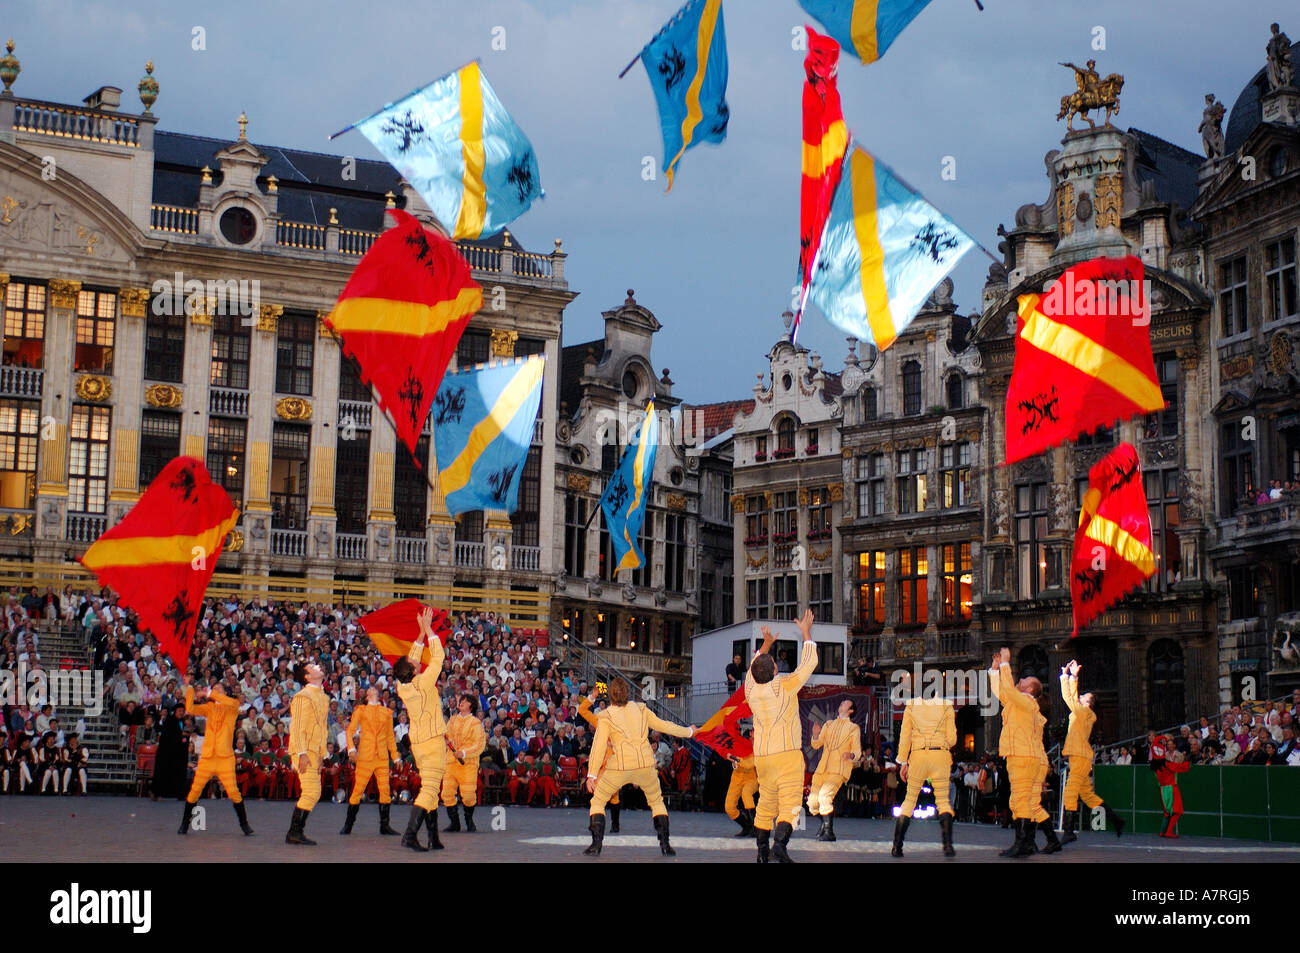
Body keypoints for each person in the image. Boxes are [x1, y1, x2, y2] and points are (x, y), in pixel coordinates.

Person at [583, 678, 695, 857]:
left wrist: (591, 774)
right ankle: (665, 845)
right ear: (628, 693)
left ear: (610, 694)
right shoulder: (641, 709)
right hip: (645, 764)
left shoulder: (606, 715)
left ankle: (596, 845)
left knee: (598, 801)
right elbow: (664, 725)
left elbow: (599, 746)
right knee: (656, 801)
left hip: (620, 765)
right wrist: (688, 731)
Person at [746, 610, 817, 863]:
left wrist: (765, 644)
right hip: (786, 754)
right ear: (775, 670)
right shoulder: (785, 686)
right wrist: (806, 633)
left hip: (762, 757)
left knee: (766, 802)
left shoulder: (750, 690)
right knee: (790, 804)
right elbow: (808, 665)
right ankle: (779, 845)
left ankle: (761, 852)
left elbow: (752, 670)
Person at [991, 648, 1059, 858]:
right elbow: (1002, 693)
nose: (1019, 680)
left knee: (1020, 801)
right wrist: (994, 670)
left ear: (1030, 689)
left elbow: (1008, 692)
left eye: (1024, 680)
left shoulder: (1026, 703)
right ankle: (1029, 843)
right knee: (1027, 802)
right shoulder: (1022, 704)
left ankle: (1022, 844)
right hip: (1029, 757)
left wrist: (1005, 664)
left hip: (1022, 756)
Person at [393, 607, 447, 853]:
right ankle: (409, 835)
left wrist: (420, 634)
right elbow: (439, 657)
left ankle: (433, 838)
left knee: (430, 785)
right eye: (415, 662)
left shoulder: (401, 686)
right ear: (414, 670)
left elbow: (410, 659)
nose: (416, 659)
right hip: (433, 740)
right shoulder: (424, 682)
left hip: (418, 743)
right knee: (430, 788)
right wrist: (429, 631)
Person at [1058, 660, 1125, 843]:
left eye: (1083, 697)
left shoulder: (1084, 713)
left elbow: (1069, 698)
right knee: (1087, 795)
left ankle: (1069, 831)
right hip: (1079, 756)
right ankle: (1116, 820)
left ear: (1088, 703)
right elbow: (1072, 698)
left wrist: (1070, 677)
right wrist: (1070, 677)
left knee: (1070, 793)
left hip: (1079, 756)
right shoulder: (1083, 713)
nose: (1079, 698)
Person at [179, 677, 255, 836]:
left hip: (225, 758)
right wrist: (190, 688)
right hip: (208, 757)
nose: (216, 690)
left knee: (234, 792)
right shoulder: (209, 707)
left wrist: (209, 692)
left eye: (219, 688)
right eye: (215, 688)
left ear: (225, 691)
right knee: (195, 791)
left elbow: (225, 700)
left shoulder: (232, 705)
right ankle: (185, 823)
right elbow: (190, 708)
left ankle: (244, 824)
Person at [892, 688, 957, 858]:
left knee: (909, 800)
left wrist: (903, 761)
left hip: (918, 755)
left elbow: (905, 736)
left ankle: (897, 846)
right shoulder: (946, 706)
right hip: (940, 755)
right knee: (943, 800)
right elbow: (952, 739)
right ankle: (948, 845)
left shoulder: (911, 706)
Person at [340, 685, 399, 836]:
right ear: (367, 696)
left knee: (385, 790)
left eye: (375, 689)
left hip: (382, 757)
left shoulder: (386, 713)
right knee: (358, 790)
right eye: (370, 690)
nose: (373, 690)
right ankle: (348, 825)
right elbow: (350, 731)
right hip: (366, 756)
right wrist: (352, 748)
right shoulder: (361, 710)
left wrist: (395, 756)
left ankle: (385, 826)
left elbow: (390, 737)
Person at [285, 660, 329, 846]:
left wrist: (321, 755)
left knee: (314, 792)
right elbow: (297, 727)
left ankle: (295, 832)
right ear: (307, 676)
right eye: (313, 667)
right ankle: (294, 832)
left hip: (313, 751)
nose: (318, 667)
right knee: (311, 791)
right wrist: (301, 752)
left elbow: (323, 729)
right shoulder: (303, 696)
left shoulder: (323, 697)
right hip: (303, 750)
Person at [808, 699, 861, 842]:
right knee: (812, 803)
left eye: (845, 703)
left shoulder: (853, 728)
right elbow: (816, 745)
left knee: (825, 796)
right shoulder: (829, 724)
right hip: (822, 769)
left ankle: (829, 832)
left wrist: (851, 755)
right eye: (842, 702)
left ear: (850, 711)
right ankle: (825, 823)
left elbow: (857, 751)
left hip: (838, 770)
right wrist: (815, 735)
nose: (841, 703)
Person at [441, 693, 486, 832]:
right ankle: (455, 822)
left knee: (468, 795)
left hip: (468, 764)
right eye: (461, 701)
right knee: (447, 793)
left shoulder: (475, 723)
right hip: (451, 762)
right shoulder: (453, 720)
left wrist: (464, 753)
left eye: (465, 701)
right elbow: (446, 736)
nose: (461, 703)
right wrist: (445, 740)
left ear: (470, 705)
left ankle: (468, 819)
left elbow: (479, 744)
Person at [578, 690, 621, 833]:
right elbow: (582, 710)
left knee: (614, 796)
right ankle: (595, 823)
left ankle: (615, 823)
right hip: (599, 764)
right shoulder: (600, 721)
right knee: (596, 795)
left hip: (613, 765)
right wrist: (592, 697)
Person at [1149, 736, 1190, 837]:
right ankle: (1169, 832)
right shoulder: (1167, 764)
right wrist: (1188, 761)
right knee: (1177, 811)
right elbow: (1182, 767)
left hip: (1163, 789)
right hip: (1171, 788)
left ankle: (1162, 831)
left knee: (1167, 812)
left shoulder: (1155, 767)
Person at [152, 703, 188, 800]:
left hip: (179, 753)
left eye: (182, 711)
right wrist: (181, 735)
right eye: (179, 711)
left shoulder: (184, 722)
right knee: (163, 772)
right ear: (175, 712)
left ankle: (178, 793)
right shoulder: (169, 721)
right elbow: (169, 735)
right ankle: (157, 793)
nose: (181, 713)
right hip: (167, 753)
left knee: (178, 773)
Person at [723, 742, 758, 837]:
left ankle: (756, 828)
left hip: (752, 778)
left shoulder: (757, 747)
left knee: (746, 794)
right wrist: (732, 759)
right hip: (736, 778)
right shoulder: (735, 747)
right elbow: (735, 764)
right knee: (729, 808)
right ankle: (747, 827)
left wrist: (736, 758)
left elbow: (749, 765)